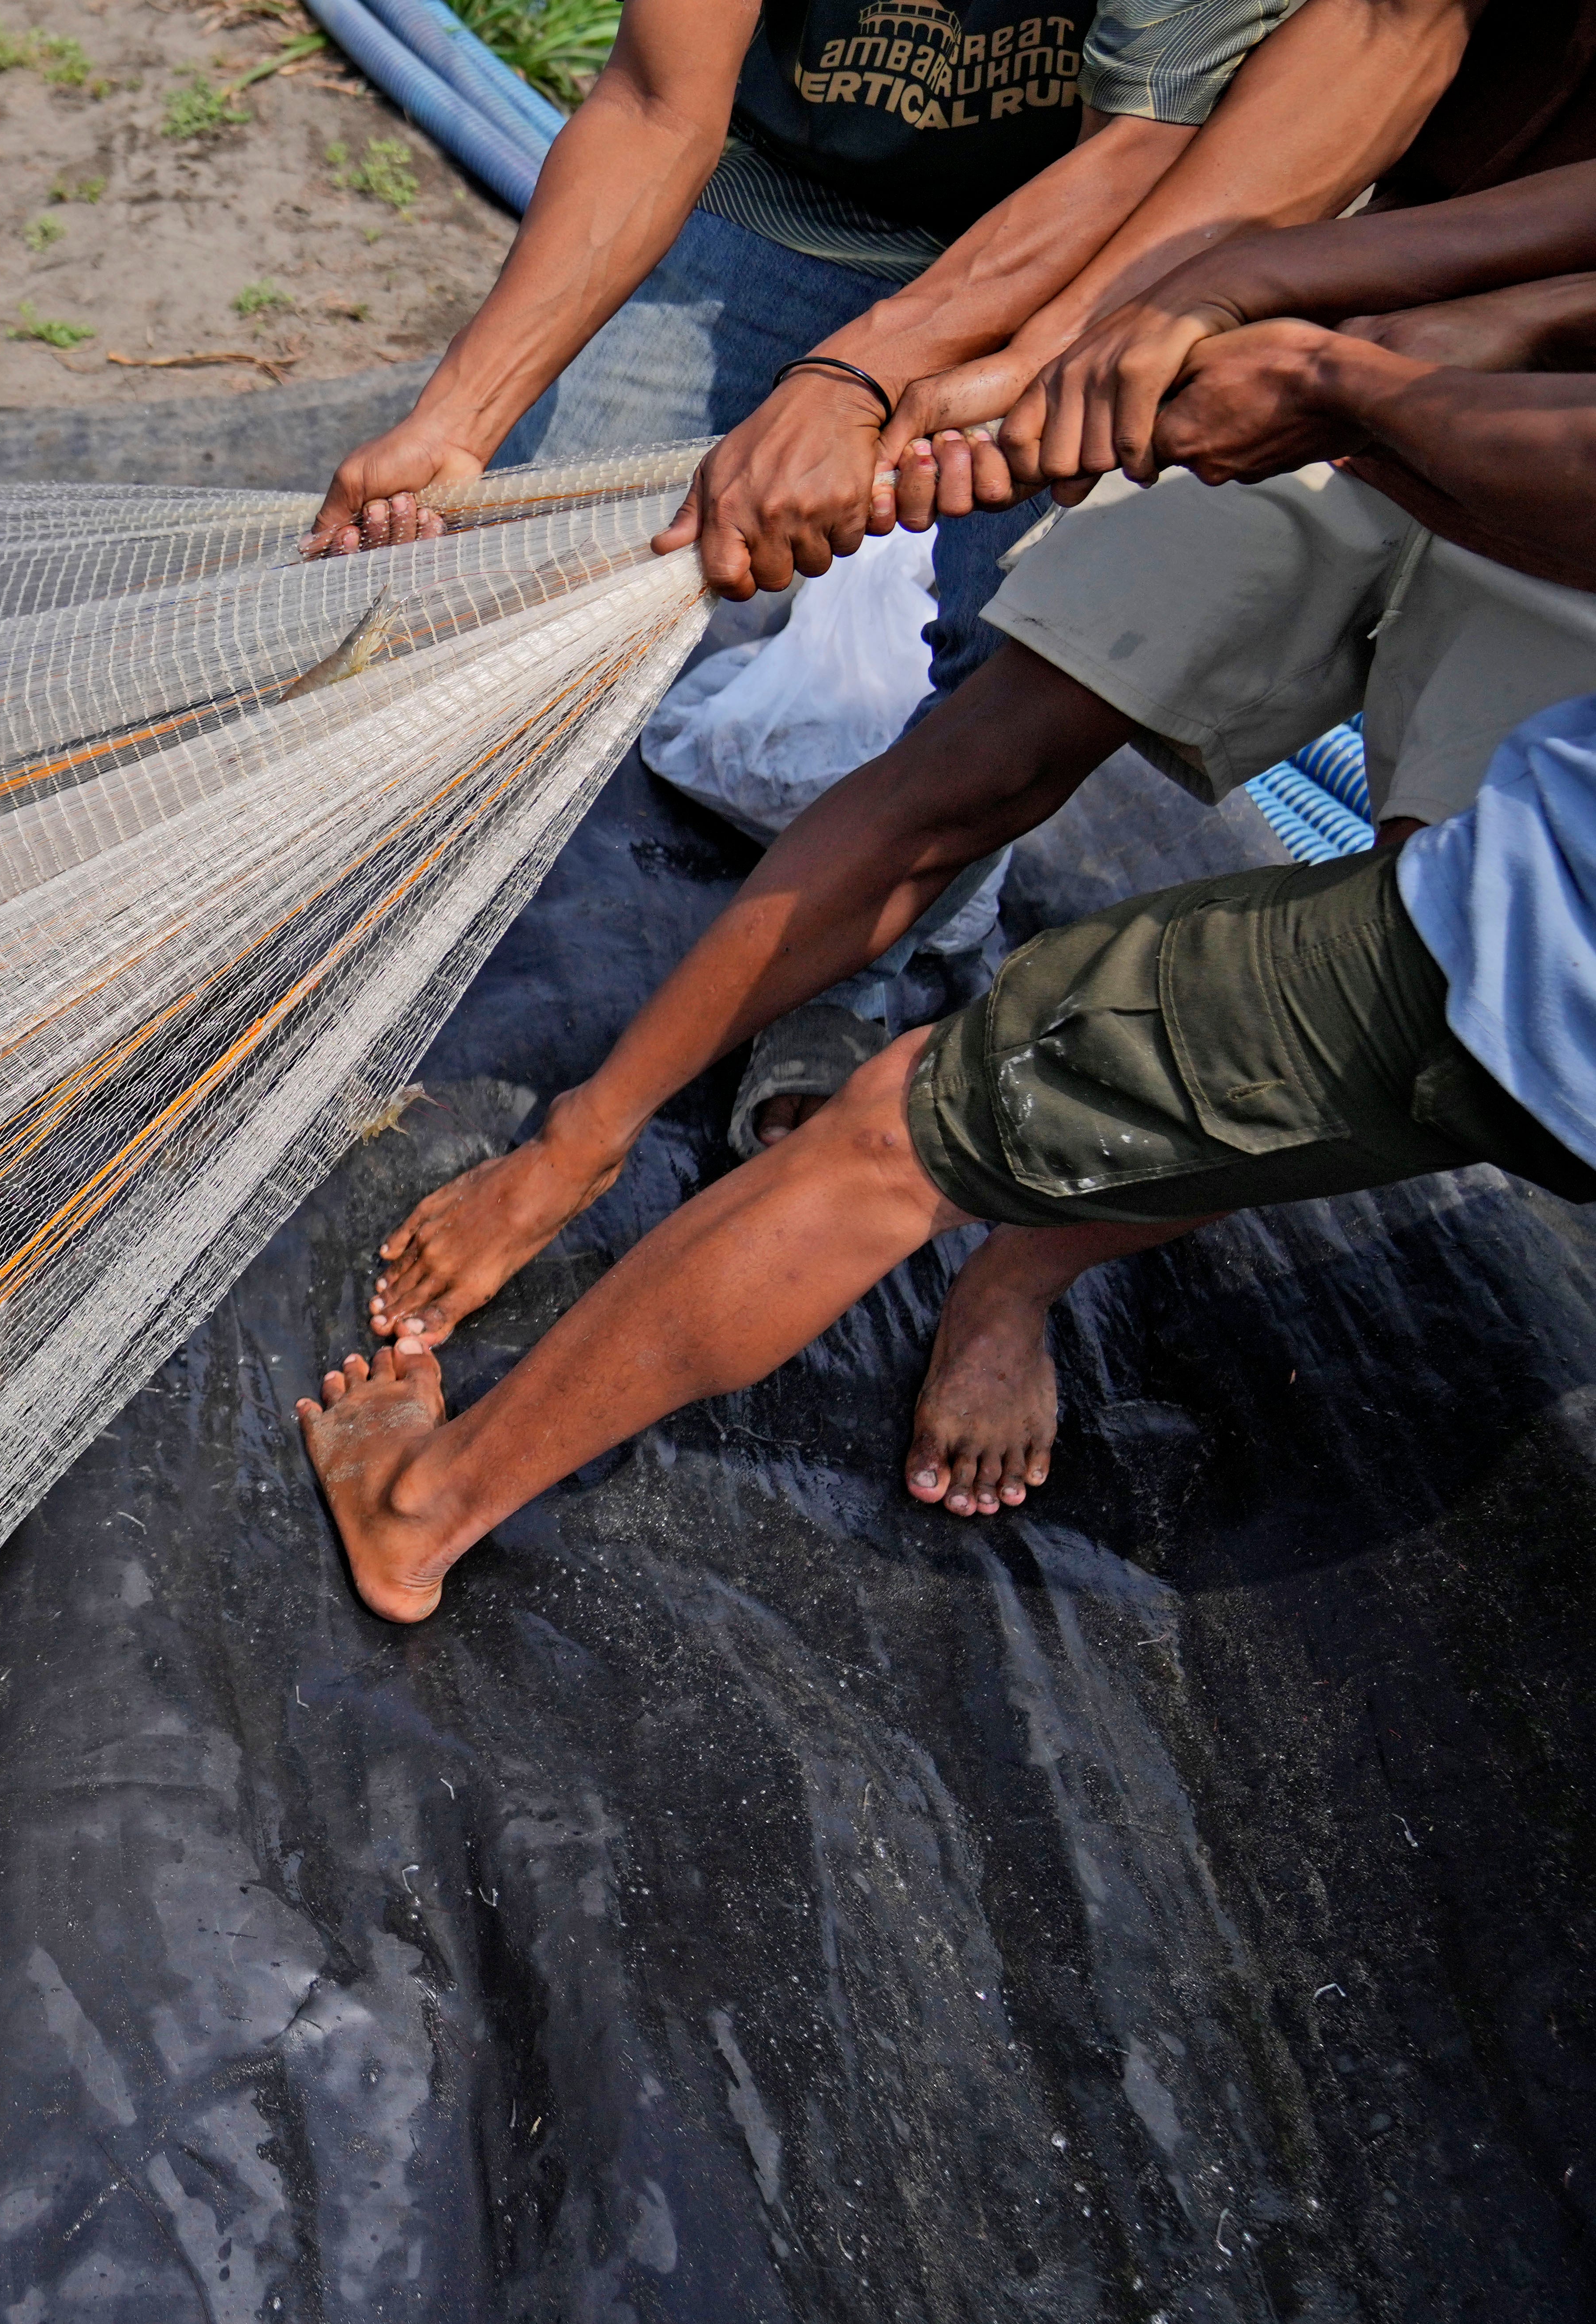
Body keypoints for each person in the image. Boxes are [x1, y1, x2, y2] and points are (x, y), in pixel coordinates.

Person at [358, 151, 1596, 1522]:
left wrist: (1353, 397)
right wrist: (1142, 336)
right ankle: (577, 1144)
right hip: (1374, 321)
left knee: (1403, 947)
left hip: (1528, 459)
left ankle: (1018, 1270)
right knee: (983, 759)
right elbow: (1321, 119)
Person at [304, 686, 1596, 1623]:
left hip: (1534, 926)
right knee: (1311, 1068)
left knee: (902, 1136)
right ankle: (1004, 1266)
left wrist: (1347, 394)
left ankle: (426, 1505)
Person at [304, 0, 1474, 687]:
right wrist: (457, 420)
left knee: (1019, 642)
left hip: (1094, 238)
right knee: (499, 564)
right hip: (781, 190)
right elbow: (659, 107)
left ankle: (873, 993)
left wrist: (862, 377)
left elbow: (1145, 151)